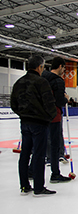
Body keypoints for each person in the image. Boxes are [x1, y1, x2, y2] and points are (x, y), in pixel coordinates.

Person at [11, 55, 57, 196]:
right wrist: (48, 117)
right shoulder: (41, 82)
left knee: (25, 154)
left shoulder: (19, 82)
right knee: (38, 154)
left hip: (25, 123)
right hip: (39, 123)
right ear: (39, 67)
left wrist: (23, 114)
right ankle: (38, 187)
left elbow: (13, 104)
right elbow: (49, 104)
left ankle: (24, 185)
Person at [42, 57, 71, 183]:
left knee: (40, 144)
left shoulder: (42, 77)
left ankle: (32, 170)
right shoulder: (58, 81)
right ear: (60, 66)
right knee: (55, 144)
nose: (63, 70)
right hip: (54, 116)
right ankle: (55, 173)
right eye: (63, 68)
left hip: (41, 115)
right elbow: (59, 100)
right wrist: (66, 99)